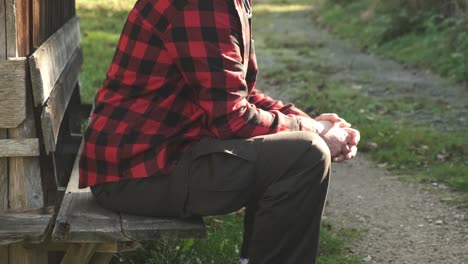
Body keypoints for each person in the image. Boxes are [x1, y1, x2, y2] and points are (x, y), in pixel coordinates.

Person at [79, 0, 360, 263]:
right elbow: (233, 120)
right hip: (136, 174)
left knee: (300, 148)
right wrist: (316, 131)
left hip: (154, 159)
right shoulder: (203, 4)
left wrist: (308, 122)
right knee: (305, 156)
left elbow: (238, 94)